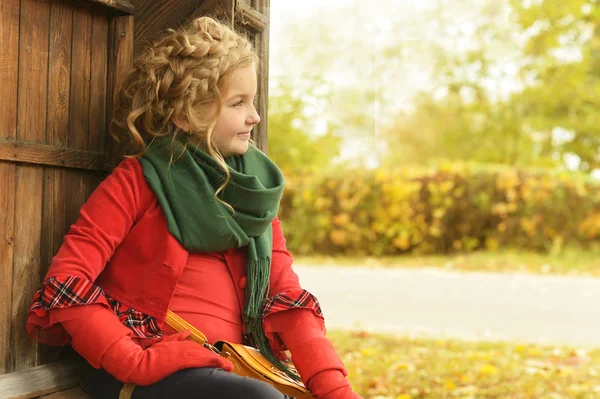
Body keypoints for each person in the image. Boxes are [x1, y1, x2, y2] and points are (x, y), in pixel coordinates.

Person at [25, 16, 361, 399]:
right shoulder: (136, 181)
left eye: (253, 101)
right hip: (138, 368)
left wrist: (335, 390)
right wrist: (134, 360)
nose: (255, 116)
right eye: (238, 103)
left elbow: (285, 300)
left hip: (230, 368)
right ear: (187, 113)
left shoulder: (254, 194)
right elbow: (67, 281)